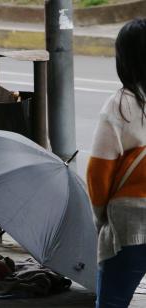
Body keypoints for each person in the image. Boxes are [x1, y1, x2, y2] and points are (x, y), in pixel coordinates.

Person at [87, 18, 146, 308]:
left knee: (111, 302)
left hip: (128, 227)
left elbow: (98, 173)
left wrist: (100, 218)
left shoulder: (120, 105)